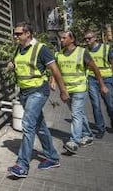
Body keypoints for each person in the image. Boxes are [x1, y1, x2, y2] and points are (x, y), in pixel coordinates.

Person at [6, 22, 69, 178]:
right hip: (25, 93)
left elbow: (55, 69)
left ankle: (22, 165)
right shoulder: (18, 49)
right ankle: (52, 158)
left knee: (27, 124)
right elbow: (16, 62)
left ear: (28, 34)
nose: (15, 36)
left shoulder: (41, 49)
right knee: (39, 126)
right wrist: (11, 65)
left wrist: (63, 90)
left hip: (39, 91)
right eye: (15, 33)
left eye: (18, 33)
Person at [53, 31, 107, 154]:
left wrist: (102, 85)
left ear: (72, 39)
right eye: (60, 38)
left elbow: (95, 68)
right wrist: (53, 81)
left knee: (76, 114)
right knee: (78, 113)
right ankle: (87, 135)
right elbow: (56, 70)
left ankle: (74, 141)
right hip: (66, 90)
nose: (61, 40)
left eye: (64, 38)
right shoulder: (59, 54)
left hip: (79, 89)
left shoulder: (82, 52)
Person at [84, 30, 113, 137]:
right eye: (85, 39)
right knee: (95, 105)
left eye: (89, 38)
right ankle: (100, 128)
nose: (87, 40)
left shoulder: (106, 48)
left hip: (106, 79)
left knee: (110, 104)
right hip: (92, 79)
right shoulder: (85, 51)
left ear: (95, 38)